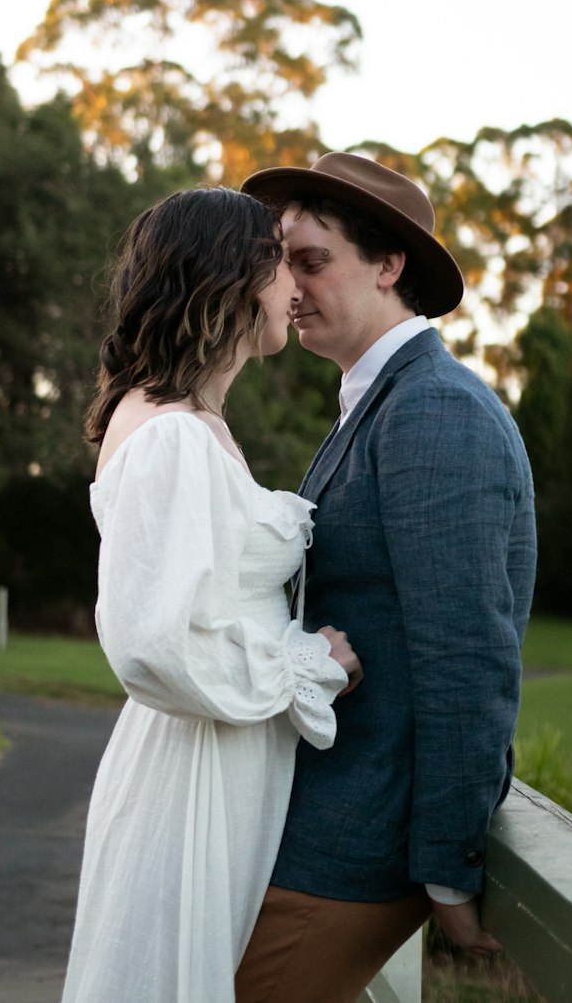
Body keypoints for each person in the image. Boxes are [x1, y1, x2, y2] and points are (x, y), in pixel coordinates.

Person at [235, 153, 537, 1003]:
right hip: (320, 830)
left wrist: (449, 876)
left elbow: (466, 656)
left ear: (389, 264)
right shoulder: (375, 401)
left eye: (312, 259)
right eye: (281, 262)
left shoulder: (433, 409)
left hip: (358, 847)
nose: (288, 286)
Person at [60, 187, 362, 1003]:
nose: (293, 290)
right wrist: (308, 664)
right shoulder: (168, 434)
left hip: (226, 758)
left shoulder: (191, 422)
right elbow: (154, 644)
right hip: (192, 773)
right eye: (278, 264)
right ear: (227, 275)